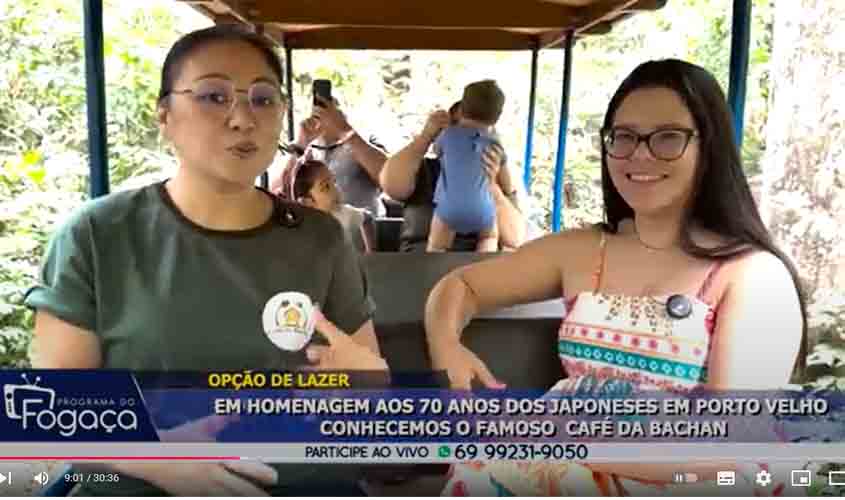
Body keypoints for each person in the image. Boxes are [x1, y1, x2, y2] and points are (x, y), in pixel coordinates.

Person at [22, 25, 387, 496]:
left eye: (263, 99)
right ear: (165, 117)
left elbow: (369, 385)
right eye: (214, 96)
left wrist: (367, 383)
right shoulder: (98, 234)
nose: (243, 118)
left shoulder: (322, 237)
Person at [424, 59, 807, 496]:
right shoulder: (584, 249)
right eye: (623, 137)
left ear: (710, 146)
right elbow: (459, 287)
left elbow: (726, 443)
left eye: (668, 137)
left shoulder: (754, 275)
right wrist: (447, 347)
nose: (639, 155)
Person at [380, 108, 525, 252]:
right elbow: (391, 186)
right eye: (460, 129)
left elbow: (514, 239)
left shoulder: (499, 176)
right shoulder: (423, 169)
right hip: (420, 259)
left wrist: (491, 185)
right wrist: (425, 137)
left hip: (480, 262)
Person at [271, 96, 388, 216]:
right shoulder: (303, 149)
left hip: (363, 223)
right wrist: (301, 146)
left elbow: (388, 178)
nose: (325, 117)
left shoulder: (365, 142)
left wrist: (345, 131)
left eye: (331, 112)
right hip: (318, 225)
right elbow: (277, 193)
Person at [427, 80, 506, 253]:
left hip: (450, 209)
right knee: (489, 237)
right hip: (482, 209)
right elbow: (505, 174)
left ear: (461, 109)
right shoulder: (495, 143)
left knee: (437, 246)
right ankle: (483, 262)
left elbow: (437, 151)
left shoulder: (448, 135)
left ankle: (435, 262)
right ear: (497, 117)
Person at [280, 157, 376, 253]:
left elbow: (367, 218)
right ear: (306, 202)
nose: (335, 190)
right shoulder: (302, 228)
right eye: (326, 187)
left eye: (334, 182)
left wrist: (370, 250)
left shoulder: (343, 212)